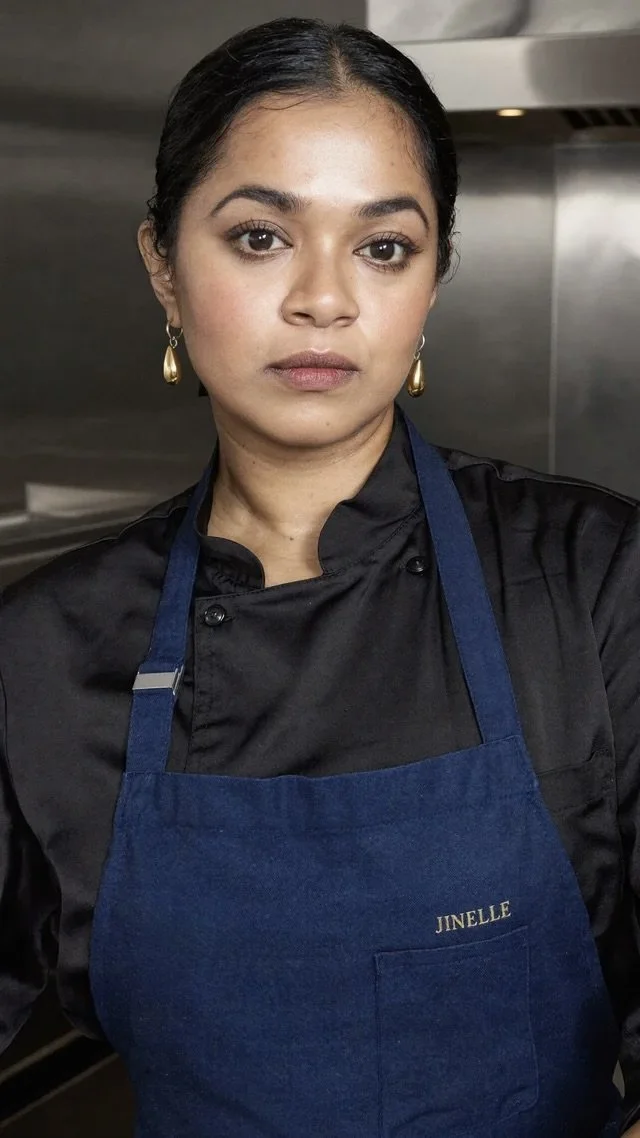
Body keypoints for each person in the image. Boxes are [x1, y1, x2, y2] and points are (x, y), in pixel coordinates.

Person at [1, 16, 639, 1137]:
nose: (324, 299)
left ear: (433, 280)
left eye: (383, 246)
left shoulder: (594, 581)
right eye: (260, 237)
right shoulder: (45, 648)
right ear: (162, 264)